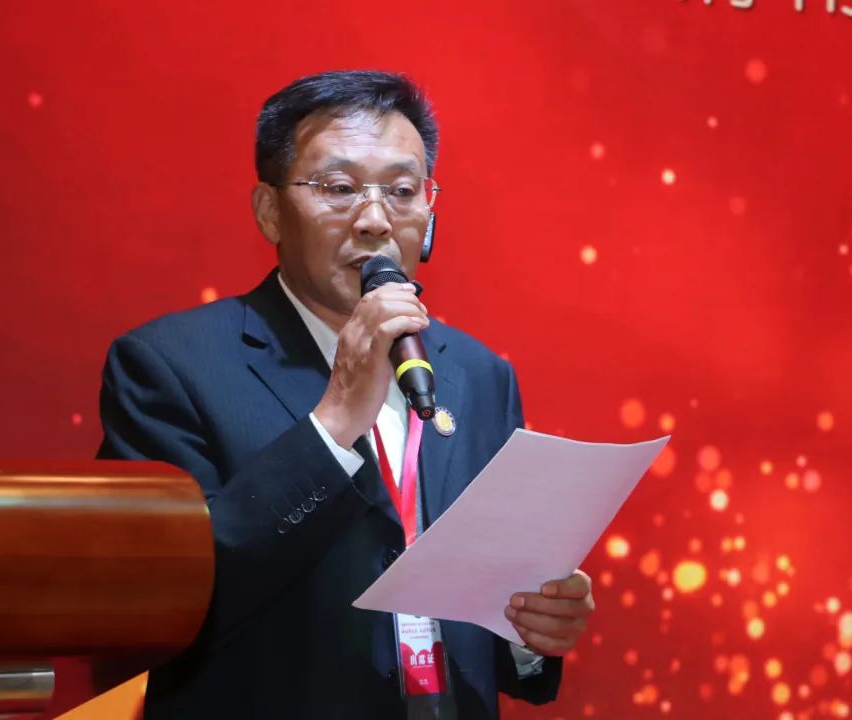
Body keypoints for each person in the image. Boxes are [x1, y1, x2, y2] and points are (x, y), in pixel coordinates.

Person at [97, 70, 595, 719]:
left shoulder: (477, 375)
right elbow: (164, 602)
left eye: (402, 191)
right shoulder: (169, 365)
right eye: (339, 188)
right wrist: (333, 422)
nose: (375, 220)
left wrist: (532, 630)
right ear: (270, 210)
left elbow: (493, 621)